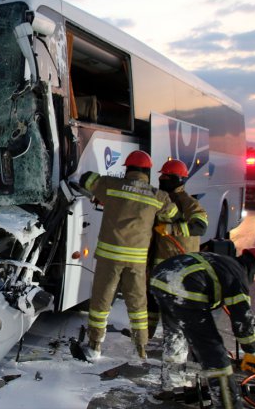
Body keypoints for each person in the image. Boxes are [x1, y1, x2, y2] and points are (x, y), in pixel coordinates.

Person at [78, 150, 180, 360]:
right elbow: (173, 214)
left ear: (127, 169)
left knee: (101, 302)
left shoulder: (111, 186)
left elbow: (85, 179)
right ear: (148, 172)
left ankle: (95, 346)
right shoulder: (157, 196)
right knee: (138, 304)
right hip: (137, 262)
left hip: (109, 258)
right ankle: (140, 348)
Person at [150, 246, 255, 408]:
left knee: (176, 336)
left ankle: (172, 386)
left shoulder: (223, 261)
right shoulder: (238, 275)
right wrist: (251, 350)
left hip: (160, 279)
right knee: (213, 352)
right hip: (185, 288)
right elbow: (242, 318)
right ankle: (228, 405)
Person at [147, 159, 208, 340]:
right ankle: (147, 337)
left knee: (172, 305)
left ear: (179, 179)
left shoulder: (187, 202)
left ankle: (175, 343)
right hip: (159, 261)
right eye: (161, 175)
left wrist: (171, 229)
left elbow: (200, 226)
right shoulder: (160, 197)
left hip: (179, 264)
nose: (162, 178)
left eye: (167, 176)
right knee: (152, 301)